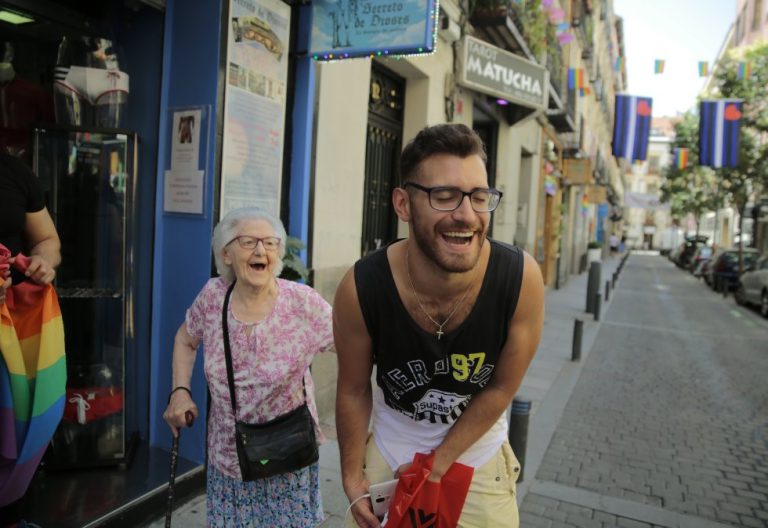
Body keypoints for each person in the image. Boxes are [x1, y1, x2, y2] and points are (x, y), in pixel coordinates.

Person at [334, 124, 545, 528]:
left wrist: (437, 465)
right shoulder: (363, 287)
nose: (466, 215)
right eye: (443, 196)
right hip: (391, 451)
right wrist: (351, 476)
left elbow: (502, 386)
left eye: (479, 197)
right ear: (403, 204)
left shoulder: (519, 279)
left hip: (478, 457)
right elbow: (353, 388)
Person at [162, 207, 334, 528]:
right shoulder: (213, 298)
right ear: (226, 254)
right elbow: (185, 341)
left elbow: (355, 344)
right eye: (248, 242)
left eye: (270, 243)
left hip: (287, 456)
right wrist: (180, 392)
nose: (260, 251)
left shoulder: (302, 303)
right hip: (230, 460)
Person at [1, 151, 61, 527]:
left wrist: (43, 261)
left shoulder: (13, 171)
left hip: (11, 331)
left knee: (17, 425)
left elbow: (47, 239)